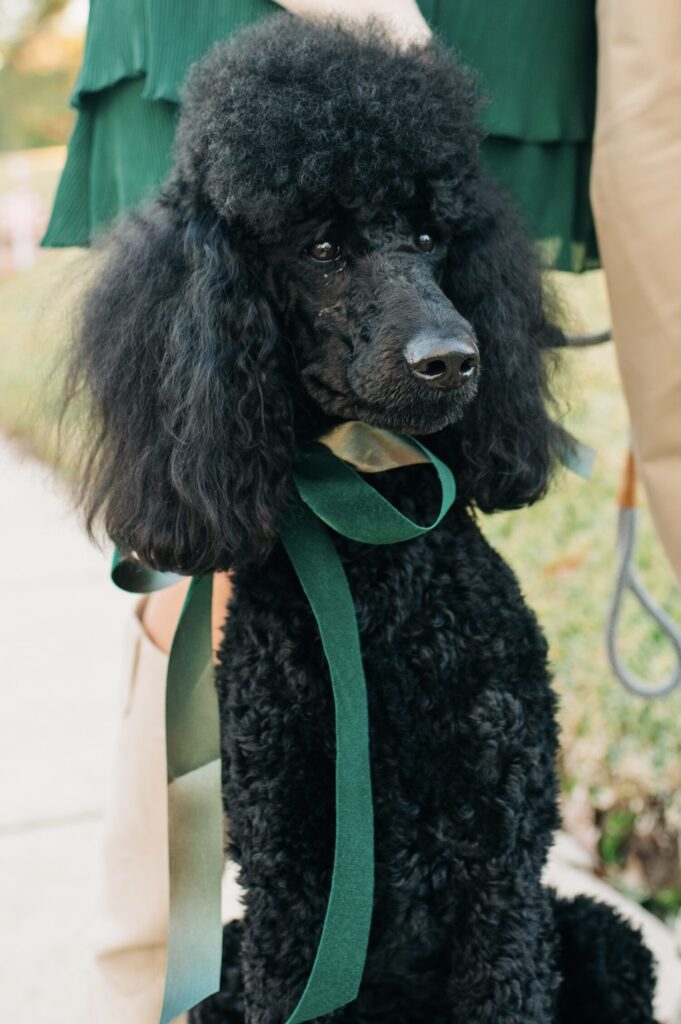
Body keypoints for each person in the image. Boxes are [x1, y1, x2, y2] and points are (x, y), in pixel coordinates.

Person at [44, 1, 679, 1020]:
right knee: (192, 684)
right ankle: (142, 978)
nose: (440, 334)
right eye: (334, 257)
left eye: (428, 244)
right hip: (290, 29)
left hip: (480, 68)